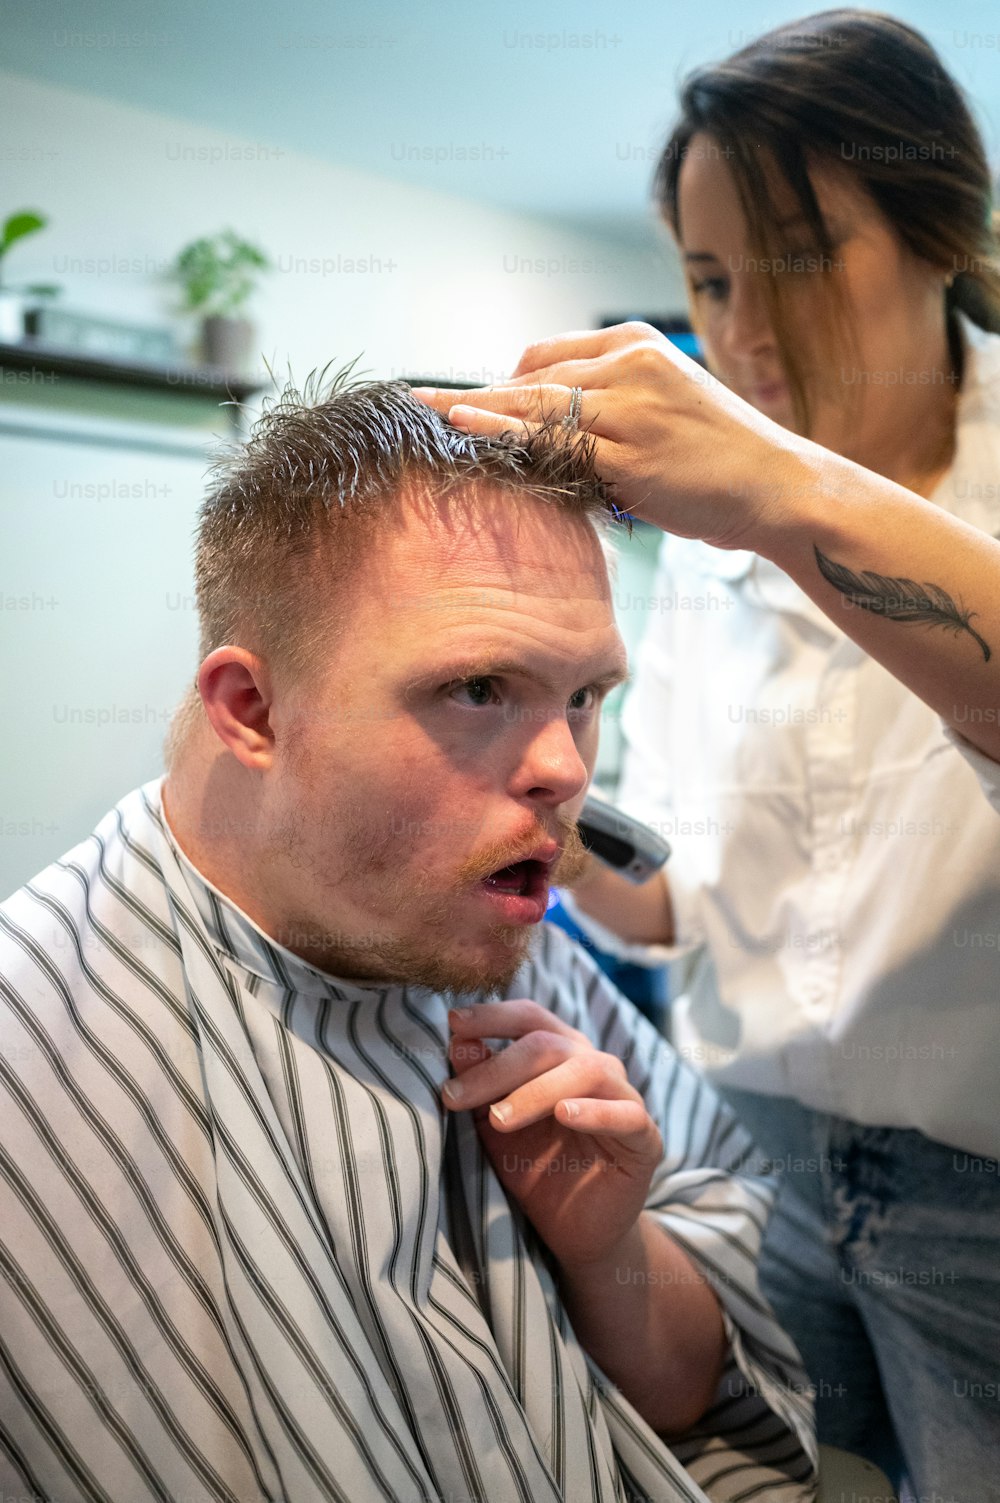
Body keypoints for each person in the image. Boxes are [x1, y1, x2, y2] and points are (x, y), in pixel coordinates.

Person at [0, 376, 818, 1503]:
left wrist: (605, 1249)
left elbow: (696, 1399)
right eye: (478, 687)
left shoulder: (493, 929)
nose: (567, 771)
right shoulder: (35, 1046)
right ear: (251, 710)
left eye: (585, 696)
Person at [413, 11, 1000, 1498]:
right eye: (709, 276)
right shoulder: (722, 559)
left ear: (945, 229)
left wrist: (781, 491)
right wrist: (527, 788)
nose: (745, 333)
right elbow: (679, 898)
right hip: (755, 1151)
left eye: (800, 255)